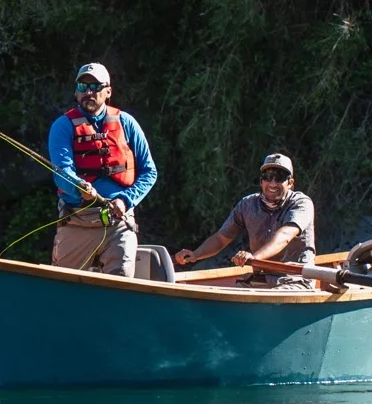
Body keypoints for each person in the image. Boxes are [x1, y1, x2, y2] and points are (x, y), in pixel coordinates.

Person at [47, 62, 158, 276]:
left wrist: (126, 200)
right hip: (77, 221)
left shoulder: (127, 123)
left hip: (119, 223)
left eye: (96, 86)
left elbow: (149, 172)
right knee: (61, 288)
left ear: (108, 91)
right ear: (76, 92)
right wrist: (79, 186)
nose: (89, 92)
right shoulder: (62, 126)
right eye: (82, 86)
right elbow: (61, 173)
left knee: (122, 284)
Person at [174, 152, 317, 284]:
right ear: (261, 182)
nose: (273, 183)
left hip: (295, 279)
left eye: (279, 178)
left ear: (290, 183)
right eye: (268, 177)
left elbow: (285, 235)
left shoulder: (301, 203)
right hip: (261, 277)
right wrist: (195, 254)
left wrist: (254, 257)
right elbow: (221, 238)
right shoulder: (247, 204)